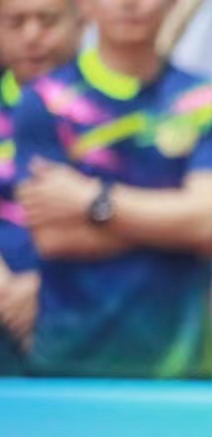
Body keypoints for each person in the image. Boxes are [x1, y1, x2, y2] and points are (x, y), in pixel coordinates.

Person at [13, 0, 212, 379]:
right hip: (68, 360)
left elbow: (207, 223)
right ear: (84, 6)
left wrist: (89, 200)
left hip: (178, 362)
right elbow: (53, 236)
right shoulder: (46, 101)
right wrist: (176, 225)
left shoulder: (206, 101)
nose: (130, 4)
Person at [0, 0, 82, 375]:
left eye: (47, 21)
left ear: (80, 22)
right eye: (16, 22)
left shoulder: (106, 108)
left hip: (89, 311)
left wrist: (44, 287)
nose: (32, 36)